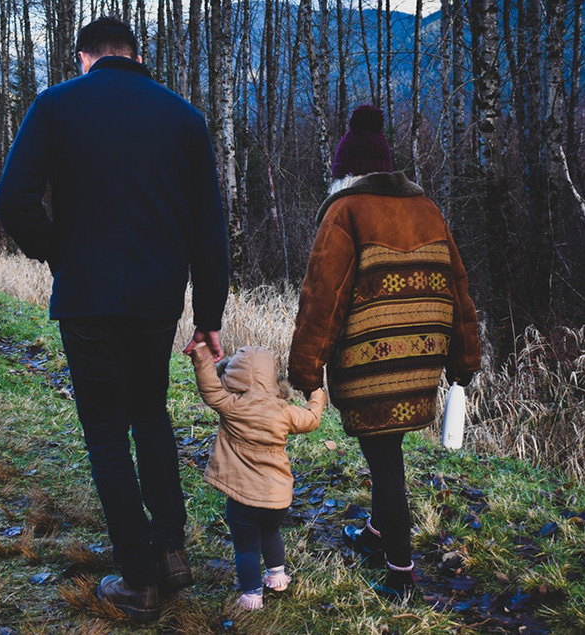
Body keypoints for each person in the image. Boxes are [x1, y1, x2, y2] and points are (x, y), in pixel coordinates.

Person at [0, 17, 229, 623]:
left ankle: (137, 577)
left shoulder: (56, 106)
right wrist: (207, 315)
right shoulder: (184, 118)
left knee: (104, 430)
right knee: (150, 414)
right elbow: (209, 230)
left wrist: (55, 249)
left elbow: (12, 198)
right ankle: (171, 550)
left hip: (87, 297)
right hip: (156, 301)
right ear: (134, 55)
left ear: (84, 57)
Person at [287, 105, 481, 601]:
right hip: (422, 361)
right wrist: (464, 359)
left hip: (369, 366)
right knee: (387, 450)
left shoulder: (343, 212)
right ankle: (376, 535)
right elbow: (458, 289)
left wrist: (306, 369)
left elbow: (321, 298)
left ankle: (400, 571)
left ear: (344, 172)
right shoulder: (428, 209)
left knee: (386, 461)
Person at [187, 342, 326, 610]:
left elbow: (208, 387)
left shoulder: (231, 404)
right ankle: (277, 577)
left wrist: (202, 354)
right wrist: (316, 393)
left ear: (234, 375)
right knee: (271, 533)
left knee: (246, 546)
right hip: (278, 497)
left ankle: (252, 594)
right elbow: (312, 419)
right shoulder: (284, 412)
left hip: (243, 495)